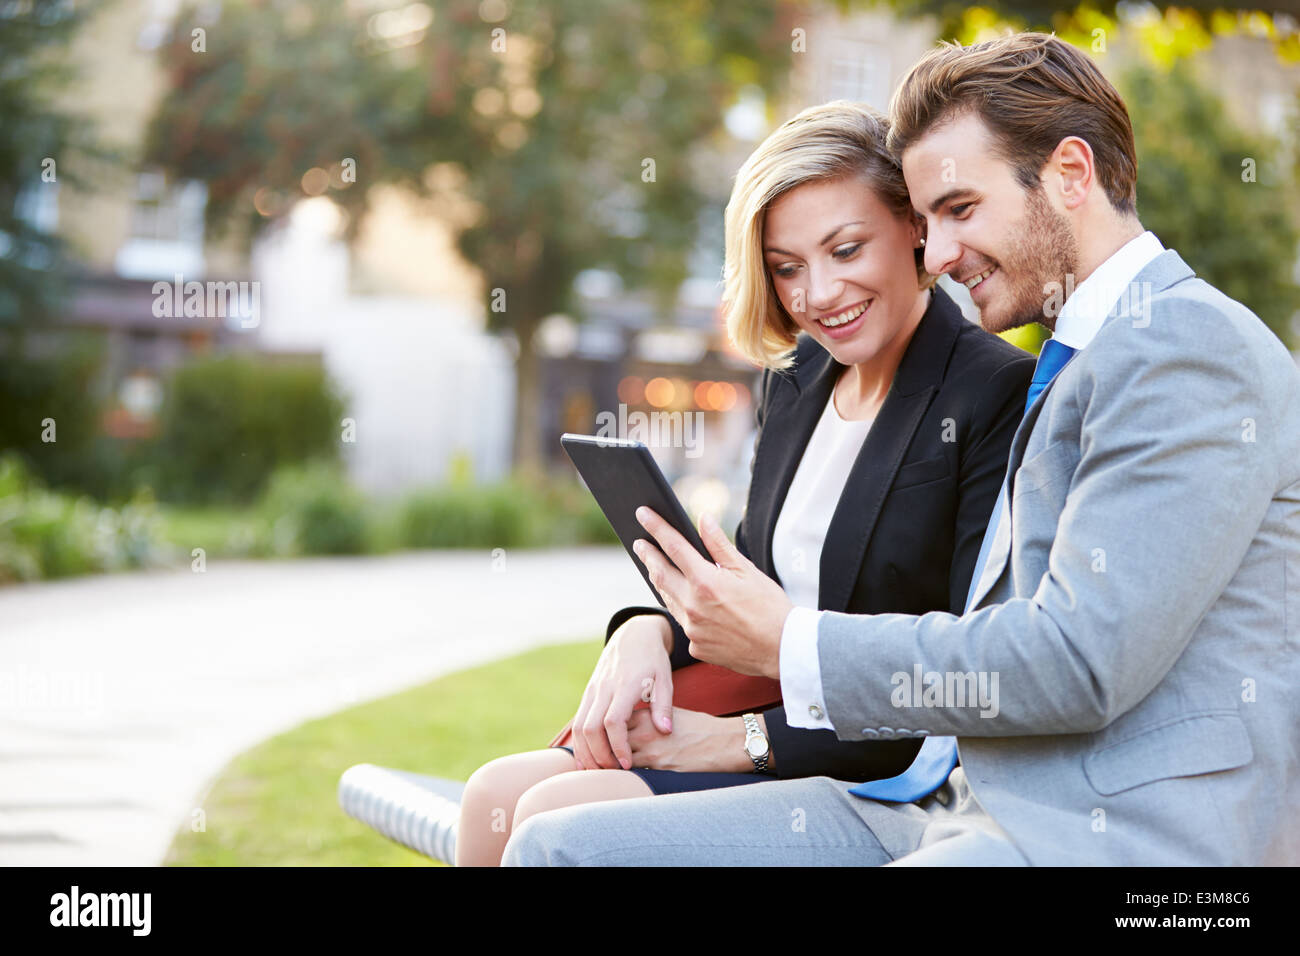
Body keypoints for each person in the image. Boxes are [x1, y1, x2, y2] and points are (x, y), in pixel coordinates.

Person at [502, 32, 1300, 867]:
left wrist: (791, 646)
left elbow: (1076, 663)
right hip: (945, 799)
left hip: (1118, 837)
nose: (940, 255)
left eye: (959, 209)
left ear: (1070, 174)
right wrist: (660, 632)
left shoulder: (1183, 348)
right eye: (927, 222)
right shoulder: (1076, 360)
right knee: (559, 847)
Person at [453, 101, 1035, 866]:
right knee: (492, 799)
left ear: (914, 229)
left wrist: (741, 743)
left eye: (846, 249)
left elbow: (960, 668)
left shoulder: (993, 391)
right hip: (751, 702)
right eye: (787, 267)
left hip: (871, 762)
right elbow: (753, 575)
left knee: (549, 815)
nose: (817, 295)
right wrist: (645, 631)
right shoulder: (796, 378)